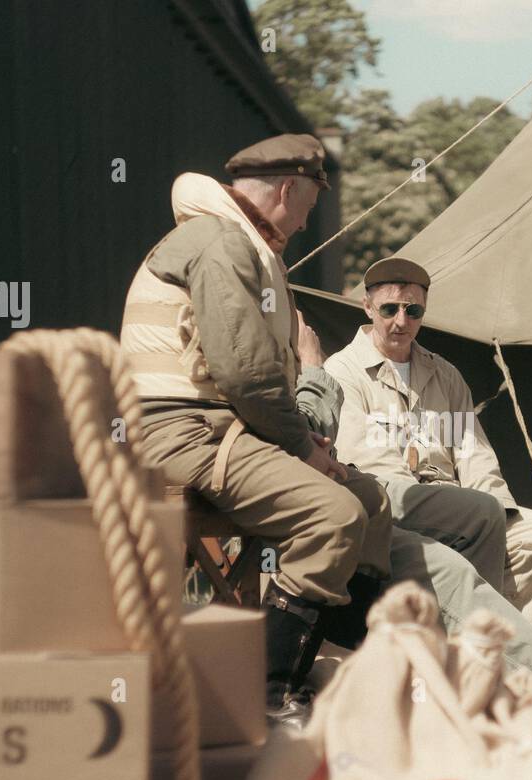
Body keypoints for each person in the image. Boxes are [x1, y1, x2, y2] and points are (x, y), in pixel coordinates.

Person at [119, 134, 392, 724]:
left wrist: (302, 442)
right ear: (290, 188)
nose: (310, 216)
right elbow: (244, 372)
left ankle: (333, 664)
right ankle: (272, 697)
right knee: (334, 515)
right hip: (181, 433)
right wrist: (301, 445)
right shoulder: (220, 243)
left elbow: (248, 383)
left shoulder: (236, 242)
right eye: (313, 198)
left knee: (369, 499)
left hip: (220, 429)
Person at [325, 257, 532, 633]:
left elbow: (474, 453)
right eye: (389, 309)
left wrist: (495, 510)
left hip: (467, 509)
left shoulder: (444, 375)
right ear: (367, 307)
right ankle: (479, 648)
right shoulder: (342, 372)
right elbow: (373, 468)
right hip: (394, 510)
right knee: (467, 528)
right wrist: (466, 514)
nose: (401, 321)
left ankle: (513, 650)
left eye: (413, 311)